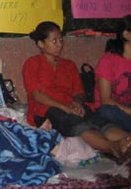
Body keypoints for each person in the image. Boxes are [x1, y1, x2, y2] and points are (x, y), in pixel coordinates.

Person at [22, 21, 131, 160]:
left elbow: (79, 92)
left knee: (97, 119)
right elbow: (36, 95)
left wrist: (77, 102)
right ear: (41, 44)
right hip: (45, 109)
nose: (60, 44)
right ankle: (112, 147)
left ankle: (126, 142)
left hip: (72, 107)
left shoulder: (69, 65)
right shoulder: (32, 63)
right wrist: (64, 107)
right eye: (54, 41)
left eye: (61, 39)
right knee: (74, 122)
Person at [94, 14, 131, 132]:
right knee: (107, 111)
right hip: (115, 109)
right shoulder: (108, 60)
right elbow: (106, 100)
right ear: (126, 35)